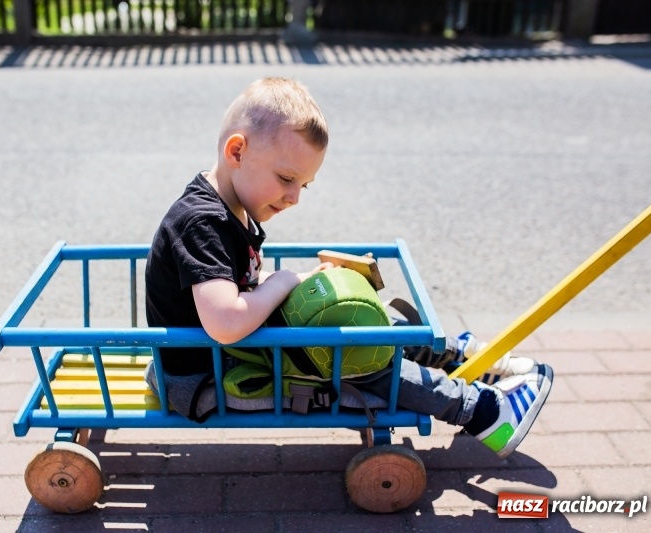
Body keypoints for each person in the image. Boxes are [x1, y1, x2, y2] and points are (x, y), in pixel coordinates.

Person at [144, 77, 553, 459]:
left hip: (237, 354)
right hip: (209, 377)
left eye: (302, 185)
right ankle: (484, 414)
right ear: (237, 152)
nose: (294, 197)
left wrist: (300, 284)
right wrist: (283, 281)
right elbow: (225, 322)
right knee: (352, 357)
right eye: (286, 178)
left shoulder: (232, 206)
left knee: (353, 318)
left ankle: (460, 359)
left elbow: (237, 287)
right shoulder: (203, 223)